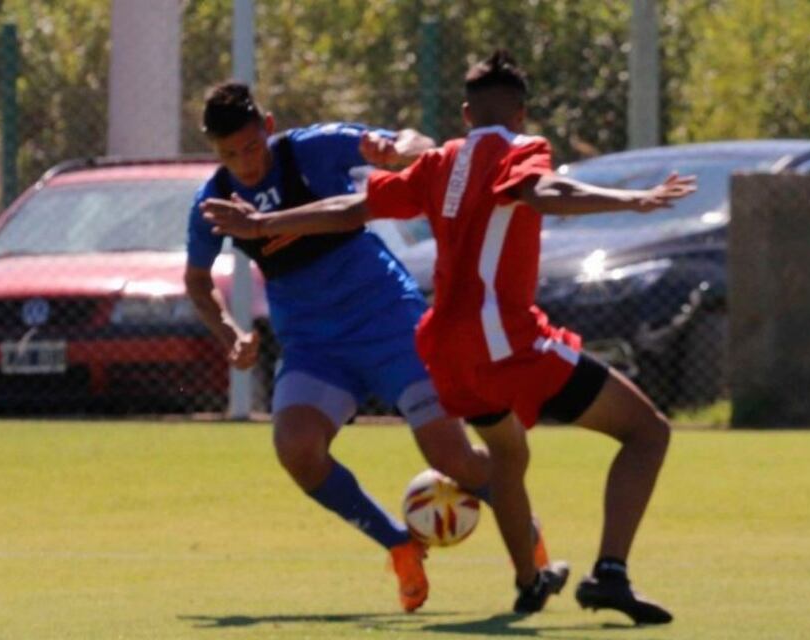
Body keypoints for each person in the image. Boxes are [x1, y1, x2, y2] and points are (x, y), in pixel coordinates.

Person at [201, 52, 696, 622]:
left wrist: (262, 225)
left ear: (464, 114)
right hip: (509, 343)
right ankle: (610, 573)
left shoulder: (440, 163)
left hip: (446, 350)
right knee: (647, 433)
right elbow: (543, 192)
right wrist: (629, 201)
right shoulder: (520, 150)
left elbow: (351, 208)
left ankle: (530, 577)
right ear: (522, 112)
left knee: (507, 455)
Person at [184, 81, 557, 614]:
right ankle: (400, 546)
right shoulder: (213, 201)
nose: (244, 163)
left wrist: (399, 148)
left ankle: (527, 535)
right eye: (228, 154)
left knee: (450, 456)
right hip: (314, 344)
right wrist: (231, 334)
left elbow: (407, 141)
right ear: (213, 152)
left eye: (250, 147)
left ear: (267, 127)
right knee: (297, 449)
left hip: (388, 322)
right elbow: (197, 281)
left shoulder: (314, 148)